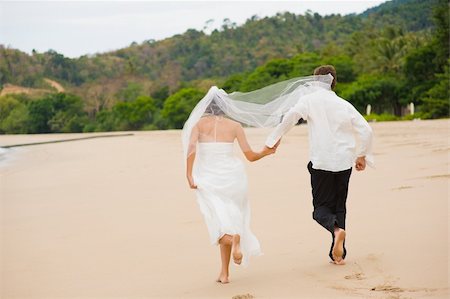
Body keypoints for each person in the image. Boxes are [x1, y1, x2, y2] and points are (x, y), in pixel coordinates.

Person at [264, 65, 374, 265]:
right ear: (334, 81)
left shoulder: (308, 100)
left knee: (320, 210)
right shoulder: (343, 104)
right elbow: (366, 130)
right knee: (340, 207)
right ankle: (338, 255)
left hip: (321, 162)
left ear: (315, 81)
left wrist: (273, 140)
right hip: (344, 162)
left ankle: (336, 231)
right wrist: (362, 155)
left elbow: (290, 118)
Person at [184, 99, 279, 284]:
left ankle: (234, 240)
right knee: (230, 219)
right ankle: (224, 273)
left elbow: (191, 148)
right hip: (234, 178)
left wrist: (189, 174)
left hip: (209, 179)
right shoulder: (235, 125)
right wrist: (265, 152)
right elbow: (250, 156)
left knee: (217, 221)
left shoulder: (198, 124)